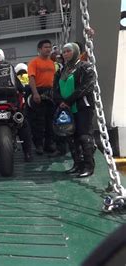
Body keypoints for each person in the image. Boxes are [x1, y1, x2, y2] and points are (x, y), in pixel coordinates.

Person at [53, 43, 96, 177]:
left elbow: (86, 87)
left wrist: (68, 101)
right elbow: (55, 89)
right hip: (67, 108)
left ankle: (88, 166)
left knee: (83, 136)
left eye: (68, 51)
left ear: (76, 52)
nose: (65, 54)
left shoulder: (85, 67)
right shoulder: (61, 71)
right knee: (71, 137)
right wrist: (60, 101)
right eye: (64, 52)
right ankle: (77, 165)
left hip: (82, 107)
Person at [28, 39, 56, 155]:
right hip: (39, 92)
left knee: (50, 120)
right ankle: (38, 145)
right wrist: (35, 93)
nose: (48, 49)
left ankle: (48, 144)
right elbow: (31, 78)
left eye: (49, 47)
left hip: (51, 92)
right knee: (38, 121)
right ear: (39, 49)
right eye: (45, 47)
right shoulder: (34, 62)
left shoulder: (52, 63)